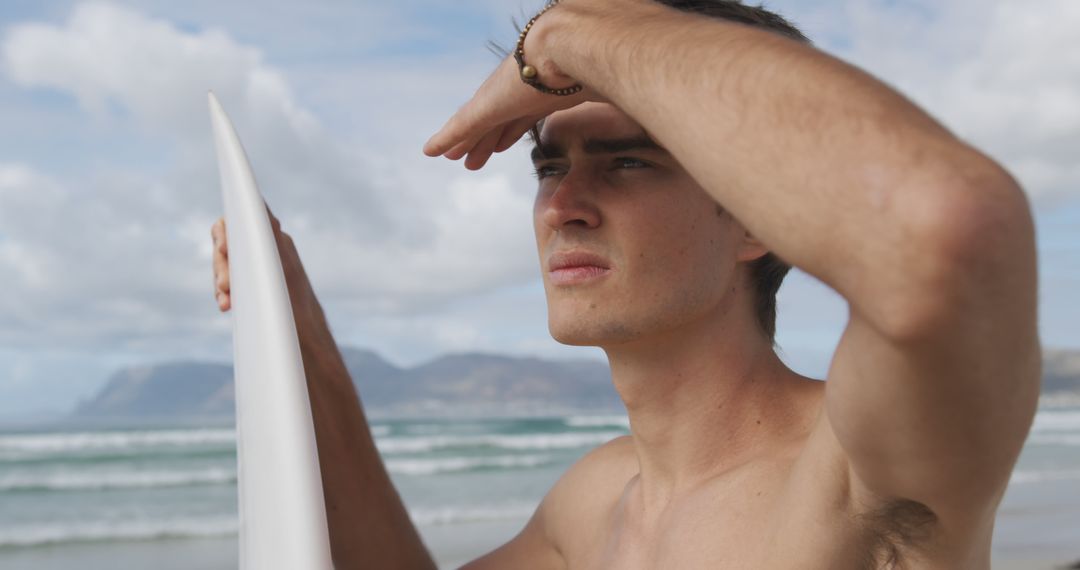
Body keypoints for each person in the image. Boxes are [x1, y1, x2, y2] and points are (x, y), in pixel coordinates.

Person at [212, 0, 1041, 567]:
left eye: (629, 162)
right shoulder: (599, 498)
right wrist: (307, 351)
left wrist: (568, 35)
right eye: (548, 165)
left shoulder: (855, 466)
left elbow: (946, 233)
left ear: (756, 215)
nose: (562, 207)